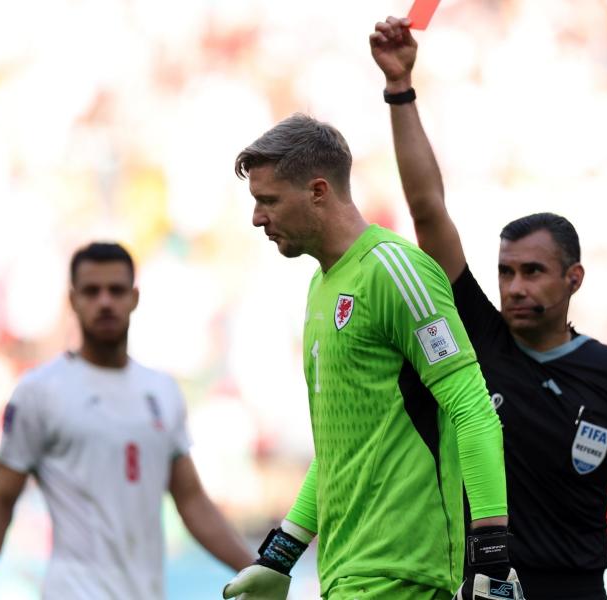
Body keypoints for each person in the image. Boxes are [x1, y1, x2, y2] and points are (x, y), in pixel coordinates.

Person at [369, 16, 607, 600]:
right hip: (475, 589)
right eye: (505, 271)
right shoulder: (477, 339)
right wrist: (400, 87)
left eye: (532, 272)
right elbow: (427, 209)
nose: (514, 286)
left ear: (574, 279)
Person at [222, 114, 520, 600]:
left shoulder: (395, 271)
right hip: (347, 573)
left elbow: (473, 408)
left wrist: (491, 554)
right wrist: (280, 556)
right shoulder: (321, 286)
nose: (258, 217)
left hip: (405, 574)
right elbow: (341, 449)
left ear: (319, 190)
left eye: (268, 200)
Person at [0, 242, 253, 600]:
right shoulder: (39, 392)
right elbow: (1, 505)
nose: (104, 302)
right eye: (91, 291)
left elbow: (191, 501)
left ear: (134, 297)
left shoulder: (162, 392)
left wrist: (254, 569)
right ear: (73, 300)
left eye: (115, 290)